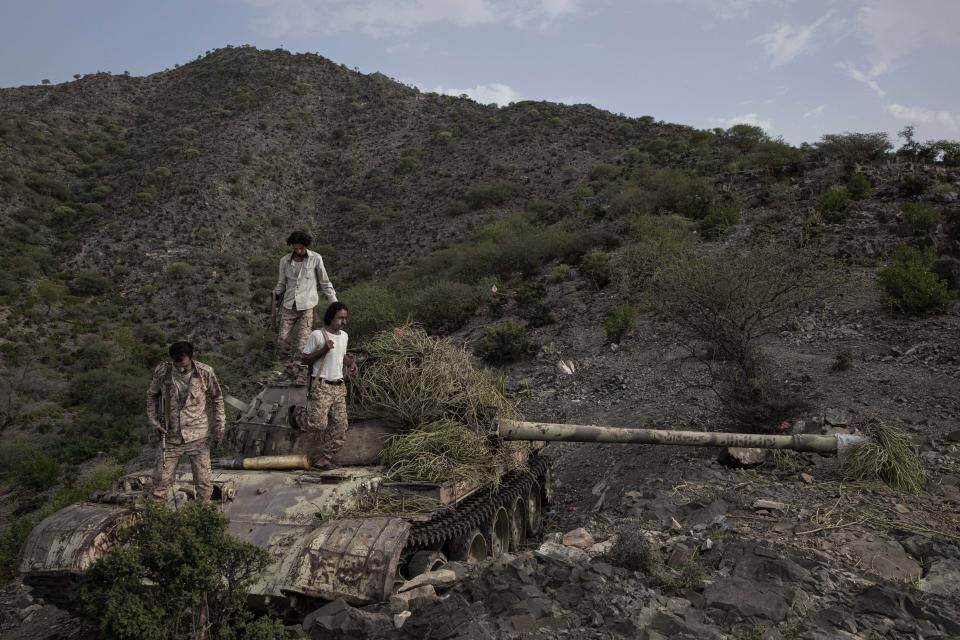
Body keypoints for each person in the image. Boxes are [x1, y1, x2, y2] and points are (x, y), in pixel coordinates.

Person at [146, 341, 225, 501]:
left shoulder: (205, 372)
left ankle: (204, 518)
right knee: (160, 482)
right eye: (176, 362)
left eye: (182, 362)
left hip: (198, 437)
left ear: (190, 357)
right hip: (170, 437)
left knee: (204, 484)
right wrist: (154, 422)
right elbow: (151, 395)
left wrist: (219, 426)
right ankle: (155, 519)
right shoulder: (163, 372)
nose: (180, 367)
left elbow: (217, 398)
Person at [274, 231, 337, 381]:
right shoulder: (284, 261)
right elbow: (281, 283)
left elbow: (325, 282)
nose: (299, 251)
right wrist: (275, 294)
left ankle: (298, 371)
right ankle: (288, 368)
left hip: (307, 306)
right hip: (289, 305)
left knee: (302, 341)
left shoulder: (315, 259)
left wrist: (334, 302)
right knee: (282, 340)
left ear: (306, 246)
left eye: (301, 248)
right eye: (296, 248)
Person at [301, 302, 357, 470]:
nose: (344, 322)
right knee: (318, 424)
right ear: (331, 317)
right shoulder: (318, 335)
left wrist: (351, 363)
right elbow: (304, 359)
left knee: (340, 426)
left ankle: (323, 458)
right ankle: (298, 416)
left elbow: (340, 356)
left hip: (339, 387)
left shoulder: (344, 336)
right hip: (322, 386)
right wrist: (323, 350)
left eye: (345, 318)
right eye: (340, 318)